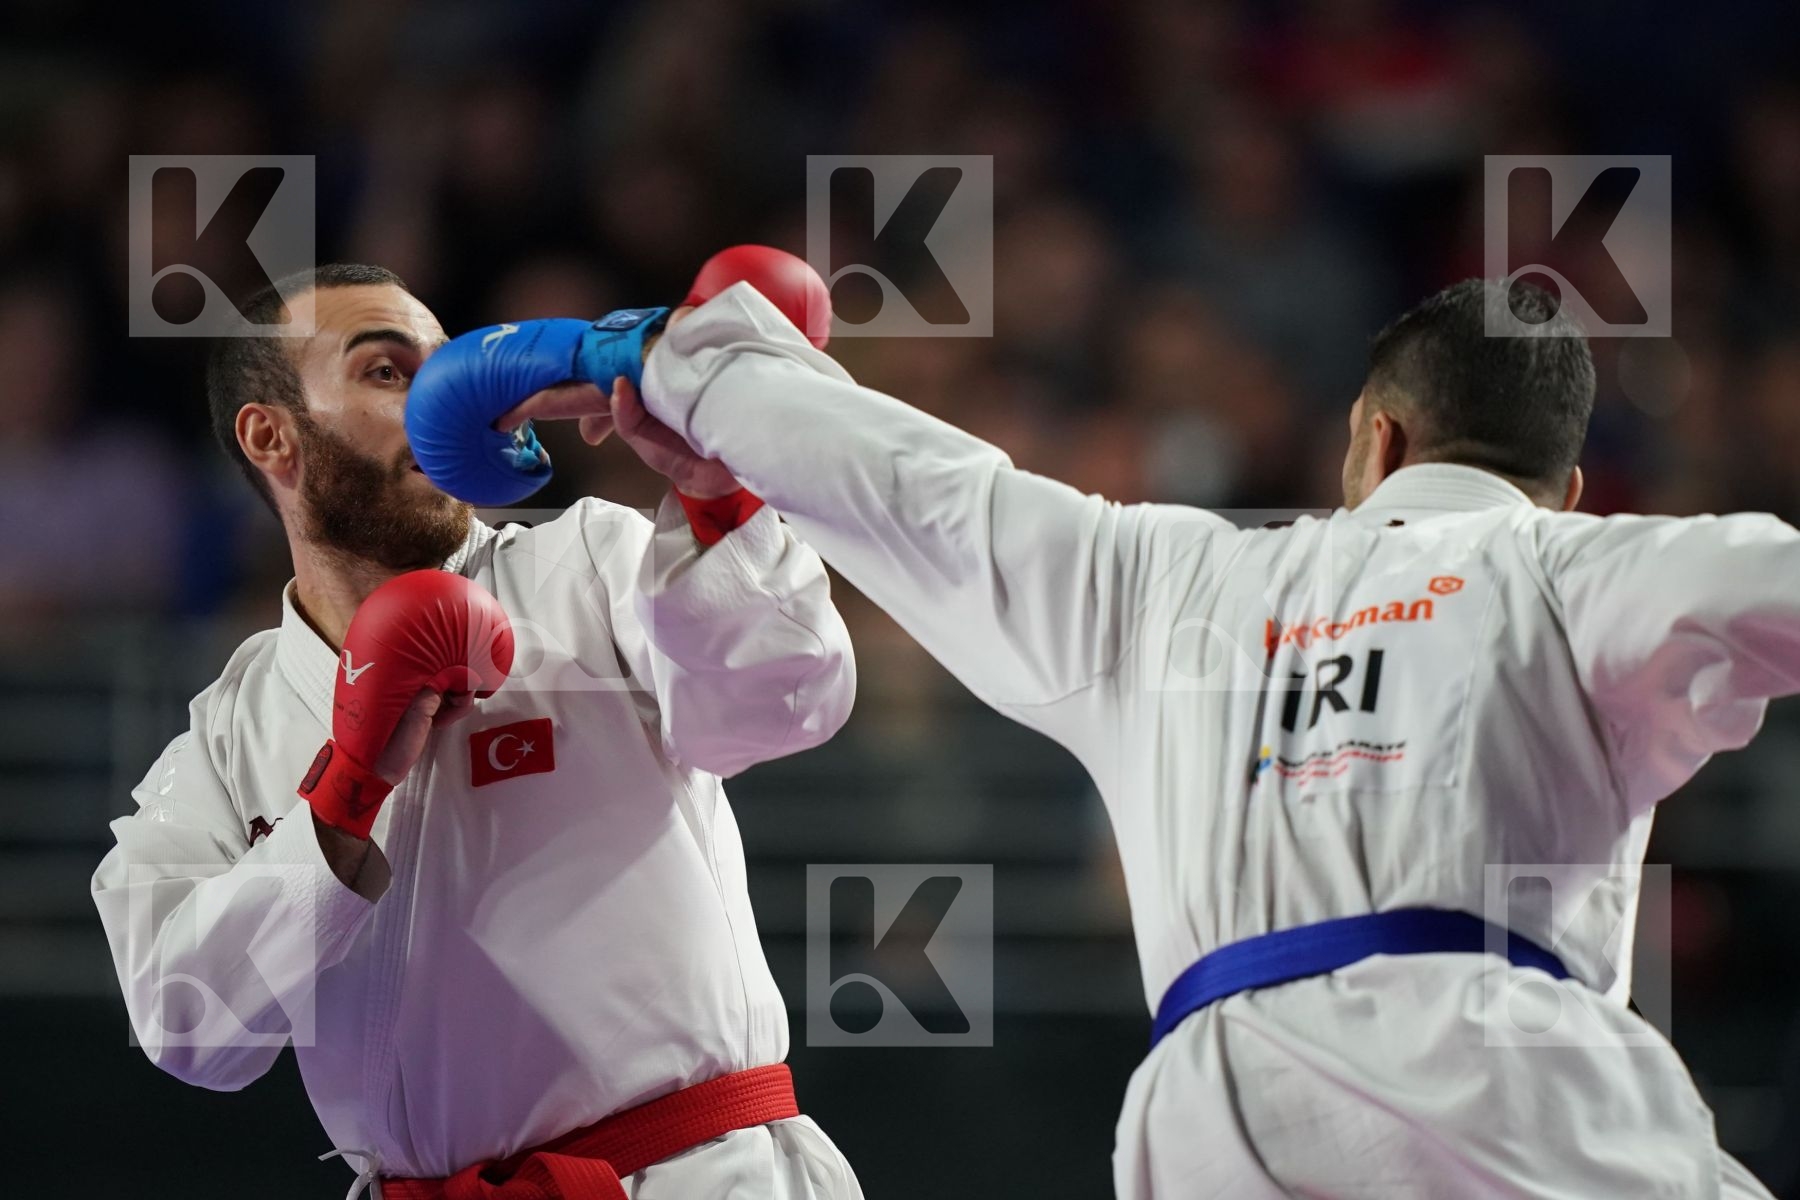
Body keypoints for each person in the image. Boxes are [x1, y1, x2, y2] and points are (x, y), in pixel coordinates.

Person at [502, 276, 1784, 1197]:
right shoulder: (1583, 569)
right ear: (1564, 490)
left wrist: (672, 361)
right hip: (1501, 1089)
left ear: (1375, 438)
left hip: (1211, 1114)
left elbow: (911, 486)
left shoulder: (1167, 578)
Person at [90, 264, 864, 1200]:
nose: (446, 402)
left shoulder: (588, 564)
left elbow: (785, 701)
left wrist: (717, 497)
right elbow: (186, 1028)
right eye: (387, 372)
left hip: (697, 1176)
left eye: (451, 369)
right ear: (271, 435)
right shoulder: (226, 734)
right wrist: (341, 798)